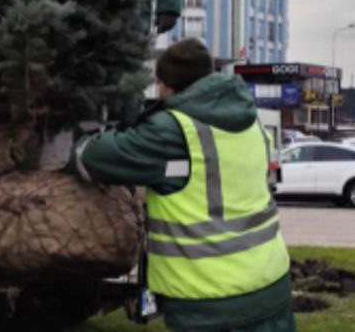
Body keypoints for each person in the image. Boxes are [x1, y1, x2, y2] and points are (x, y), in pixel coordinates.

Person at [72, 38, 295, 332]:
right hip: (272, 287)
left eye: (159, 84)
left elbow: (92, 159)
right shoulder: (249, 120)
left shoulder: (174, 130)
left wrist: (83, 138)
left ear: (170, 86)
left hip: (210, 303)